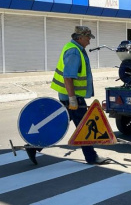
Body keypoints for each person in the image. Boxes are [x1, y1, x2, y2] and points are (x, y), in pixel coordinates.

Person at [25, 26, 108, 165]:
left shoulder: (74, 48)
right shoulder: (74, 52)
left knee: (60, 123)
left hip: (68, 96)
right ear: (80, 38)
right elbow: (68, 77)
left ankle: (34, 146)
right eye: (88, 37)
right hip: (72, 97)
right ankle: (91, 157)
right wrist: (73, 99)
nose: (89, 41)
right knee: (84, 127)